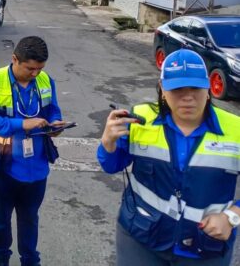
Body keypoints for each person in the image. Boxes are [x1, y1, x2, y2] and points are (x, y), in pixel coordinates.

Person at [97, 49, 240, 266]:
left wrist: (231, 217)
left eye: (195, 88)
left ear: (208, 88)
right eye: (177, 90)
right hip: (141, 238)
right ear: (163, 89)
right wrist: (108, 142)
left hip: (206, 246)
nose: (188, 97)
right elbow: (111, 165)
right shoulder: (140, 119)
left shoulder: (235, 129)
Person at [0, 36, 66, 266]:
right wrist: (20, 124)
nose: (35, 74)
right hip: (5, 165)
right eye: (30, 68)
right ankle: (1, 259)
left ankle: (30, 259)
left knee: (29, 219)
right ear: (14, 59)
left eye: (40, 68)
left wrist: (55, 124)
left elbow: (53, 109)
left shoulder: (45, 80)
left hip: (37, 167)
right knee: (2, 220)